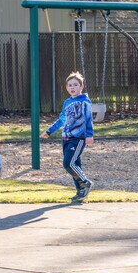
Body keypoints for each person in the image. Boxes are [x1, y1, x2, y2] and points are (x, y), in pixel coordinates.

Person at [41, 71, 94, 202]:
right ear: (66, 88)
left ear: (81, 87)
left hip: (79, 138)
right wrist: (49, 131)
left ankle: (86, 183)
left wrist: (89, 135)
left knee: (68, 163)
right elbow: (61, 120)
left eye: (75, 85)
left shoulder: (84, 102)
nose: (72, 87)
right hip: (66, 138)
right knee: (75, 165)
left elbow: (88, 119)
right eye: (70, 85)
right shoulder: (67, 103)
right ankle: (80, 192)